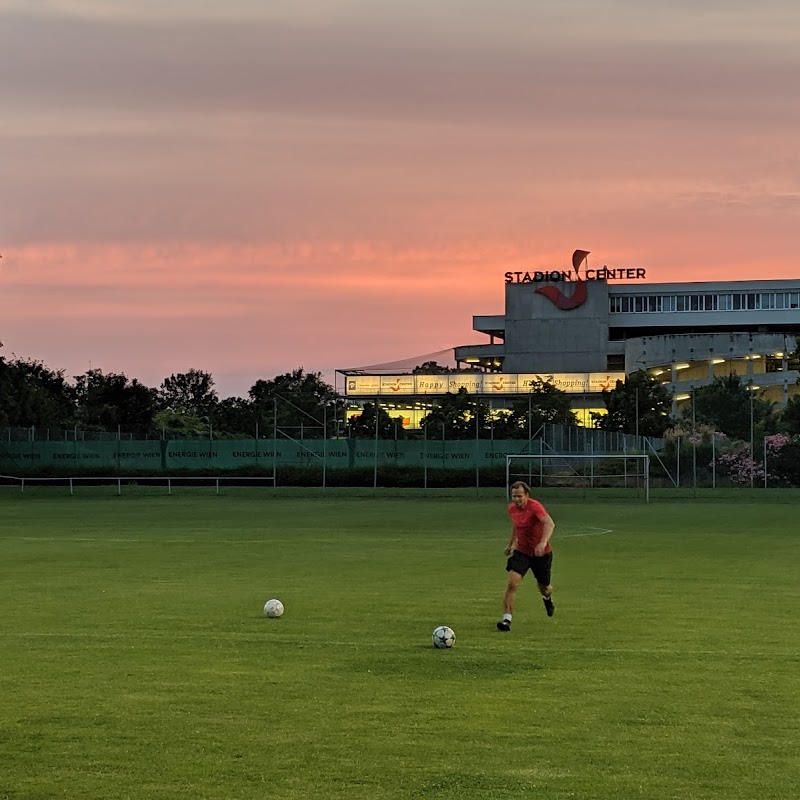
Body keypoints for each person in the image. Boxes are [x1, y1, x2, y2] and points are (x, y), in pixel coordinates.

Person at [497, 481, 555, 631]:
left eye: (520, 496)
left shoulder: (535, 506)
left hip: (541, 554)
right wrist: (511, 544)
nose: (516, 500)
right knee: (512, 583)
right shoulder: (511, 509)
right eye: (514, 496)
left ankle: (547, 599)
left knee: (545, 587)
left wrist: (542, 543)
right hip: (522, 552)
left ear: (527, 495)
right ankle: (506, 620)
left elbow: (549, 524)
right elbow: (517, 527)